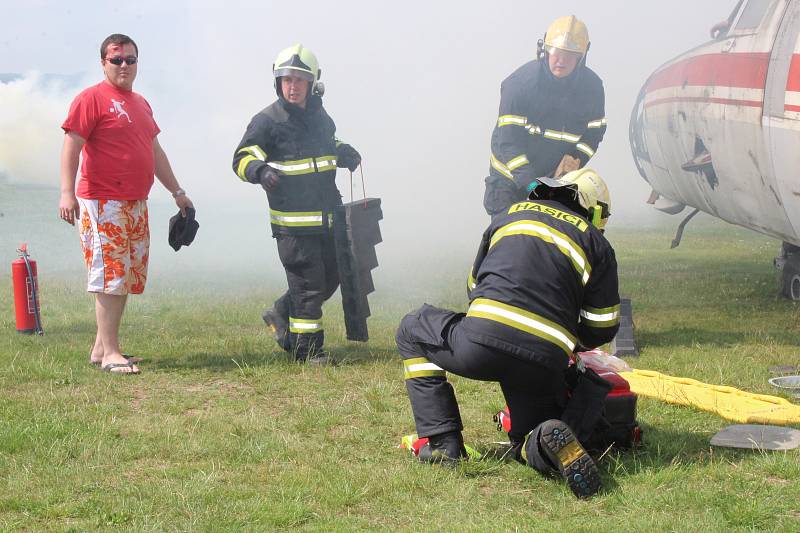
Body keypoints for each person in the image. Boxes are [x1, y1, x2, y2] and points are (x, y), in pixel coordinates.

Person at [397, 168, 620, 498]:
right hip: (545, 361)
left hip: (480, 347)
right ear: (595, 209)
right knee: (526, 437)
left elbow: (474, 287)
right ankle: (543, 438)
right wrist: (569, 340)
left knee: (412, 328)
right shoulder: (596, 242)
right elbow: (603, 326)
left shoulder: (507, 217)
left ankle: (443, 443)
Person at [59, 33, 193, 374]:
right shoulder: (90, 99)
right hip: (102, 201)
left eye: (130, 60)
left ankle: (101, 348)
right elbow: (71, 146)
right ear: (103, 63)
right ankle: (111, 355)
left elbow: (154, 152)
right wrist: (66, 192)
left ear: (137, 63)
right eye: (116, 60)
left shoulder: (140, 103)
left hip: (135, 202)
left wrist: (177, 191)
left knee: (127, 275)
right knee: (110, 276)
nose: (123, 66)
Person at [232, 44, 361, 364]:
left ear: (312, 82)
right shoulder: (267, 121)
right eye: (286, 80)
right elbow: (240, 157)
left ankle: (280, 312)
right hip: (293, 226)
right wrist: (259, 170)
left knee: (333, 276)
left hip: (327, 220)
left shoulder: (320, 116)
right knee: (308, 286)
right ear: (278, 83)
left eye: (299, 80)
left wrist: (343, 151)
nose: (292, 86)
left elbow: (328, 143)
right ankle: (308, 352)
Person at [483, 15, 607, 219]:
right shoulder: (519, 85)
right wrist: (531, 185)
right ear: (545, 49)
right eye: (556, 52)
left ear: (581, 56)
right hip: (509, 183)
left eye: (569, 54)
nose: (561, 60)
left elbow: (595, 132)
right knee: (506, 240)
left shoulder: (593, 89)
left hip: (553, 183)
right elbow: (508, 142)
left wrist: (576, 157)